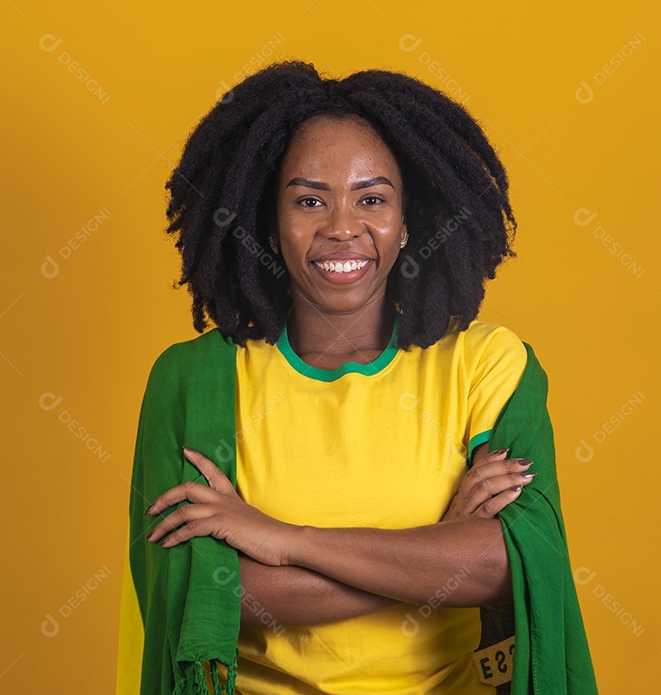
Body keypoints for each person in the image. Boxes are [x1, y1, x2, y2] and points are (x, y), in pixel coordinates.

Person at [114, 61, 598, 695]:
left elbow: (513, 565)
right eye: (310, 199)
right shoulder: (197, 380)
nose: (342, 227)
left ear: (408, 221)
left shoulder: (489, 366)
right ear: (267, 220)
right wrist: (438, 550)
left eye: (371, 198)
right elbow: (205, 596)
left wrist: (285, 541)